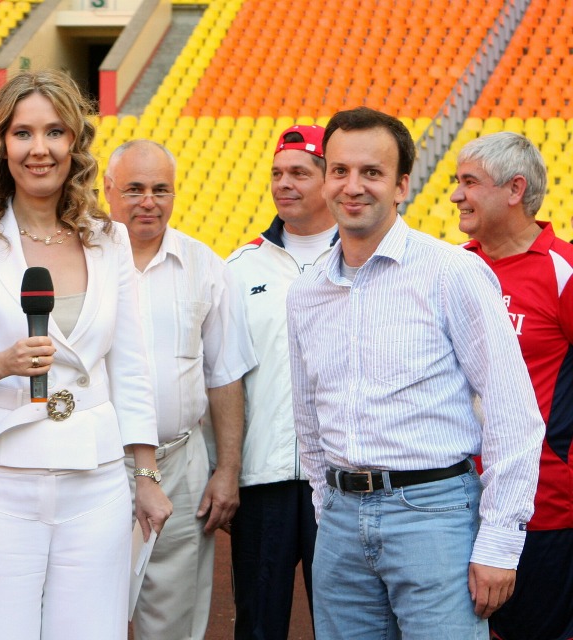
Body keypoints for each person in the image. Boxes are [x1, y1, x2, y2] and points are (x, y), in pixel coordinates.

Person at [0, 70, 172, 640]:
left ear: (74, 143)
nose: (40, 149)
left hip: (97, 481)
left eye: (55, 132)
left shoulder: (110, 241)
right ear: (1, 146)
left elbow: (131, 366)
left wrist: (146, 474)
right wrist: (1, 364)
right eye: (23, 133)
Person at [286, 106, 545, 639]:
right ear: (326, 178)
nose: (353, 186)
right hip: (339, 521)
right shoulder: (306, 292)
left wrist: (499, 541)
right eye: (340, 171)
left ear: (402, 185)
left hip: (435, 516)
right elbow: (308, 417)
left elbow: (513, 411)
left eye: (372, 173)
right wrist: (326, 506)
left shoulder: (453, 272)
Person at [103, 139, 255, 639]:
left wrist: (227, 470)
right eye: (134, 189)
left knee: (174, 617)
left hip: (179, 464)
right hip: (94, 464)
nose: (148, 201)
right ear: (108, 189)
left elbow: (225, 376)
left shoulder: (204, 266)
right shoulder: (83, 259)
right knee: (82, 610)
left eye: (160, 189)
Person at [452, 131, 573, 640]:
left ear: (515, 189)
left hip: (543, 509)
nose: (456, 195)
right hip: (453, 502)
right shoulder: (454, 268)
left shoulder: (563, 271)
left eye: (469, 182)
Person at [226, 124, 336, 639]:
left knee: (345, 623)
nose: (283, 183)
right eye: (276, 173)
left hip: (339, 480)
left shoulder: (362, 258)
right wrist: (224, 467)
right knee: (258, 622)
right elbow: (224, 377)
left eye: (298, 173)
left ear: (329, 179)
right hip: (262, 479)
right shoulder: (239, 267)